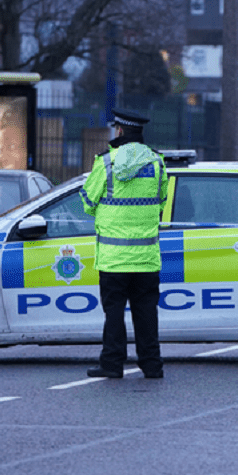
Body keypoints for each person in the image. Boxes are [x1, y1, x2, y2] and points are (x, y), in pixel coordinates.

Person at [80, 108, 168, 379]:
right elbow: (161, 201)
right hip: (146, 257)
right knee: (146, 314)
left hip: (113, 257)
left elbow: (87, 202)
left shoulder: (105, 163)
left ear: (119, 131)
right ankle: (152, 366)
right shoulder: (157, 163)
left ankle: (112, 364)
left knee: (114, 313)